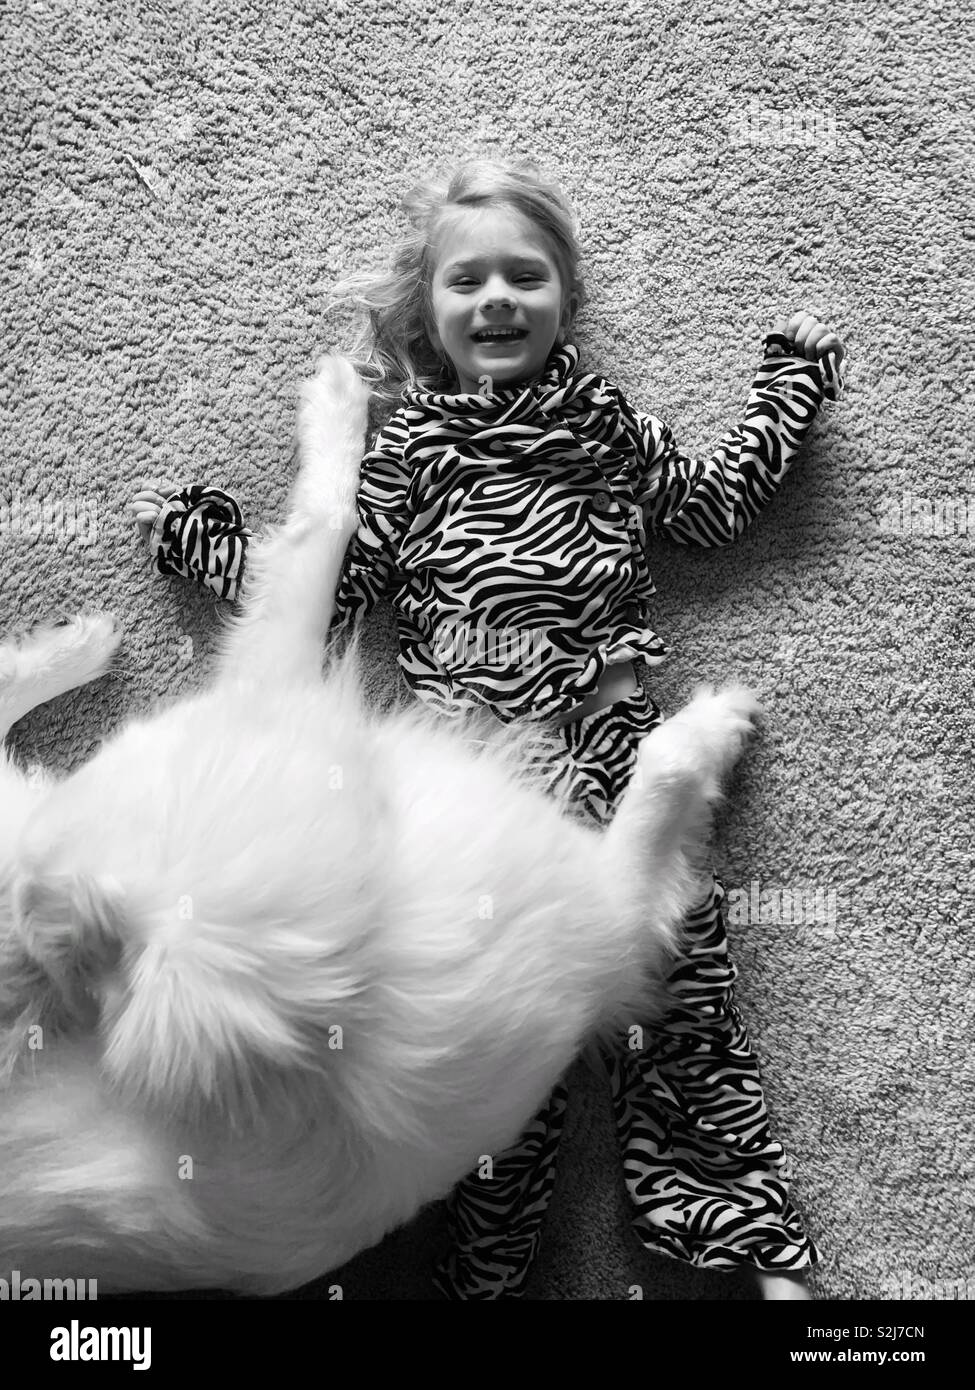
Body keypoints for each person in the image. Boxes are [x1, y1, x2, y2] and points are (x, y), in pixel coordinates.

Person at [130, 156, 846, 1301]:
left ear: (565, 297)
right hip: (475, 788)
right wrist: (206, 539)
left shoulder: (602, 418)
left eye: (526, 276)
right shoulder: (407, 452)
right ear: (430, 311)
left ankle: (748, 1249)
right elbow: (332, 593)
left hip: (614, 751)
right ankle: (491, 1275)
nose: (498, 299)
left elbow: (715, 506)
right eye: (469, 282)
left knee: (682, 1009)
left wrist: (792, 385)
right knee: (498, 1039)